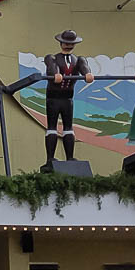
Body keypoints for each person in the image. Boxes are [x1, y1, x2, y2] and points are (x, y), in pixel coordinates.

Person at [42, 29, 94, 169]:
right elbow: (52, 68)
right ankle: (50, 158)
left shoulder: (78, 60)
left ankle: (70, 157)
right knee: (52, 127)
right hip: (53, 97)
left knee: (68, 127)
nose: (68, 45)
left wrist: (87, 73)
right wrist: (55, 74)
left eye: (71, 43)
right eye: (66, 42)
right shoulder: (52, 58)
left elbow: (84, 67)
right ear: (61, 42)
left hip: (67, 98)